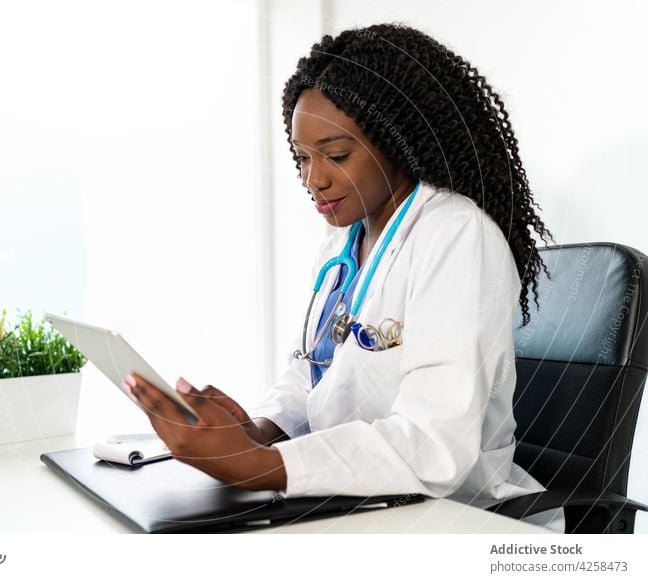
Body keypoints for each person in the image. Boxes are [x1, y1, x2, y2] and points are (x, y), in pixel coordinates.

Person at [124, 23, 565, 533]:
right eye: (302, 159)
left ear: (396, 140)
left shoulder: (456, 234)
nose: (314, 179)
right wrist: (258, 430)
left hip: (463, 520)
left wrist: (257, 466)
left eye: (335, 156)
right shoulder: (343, 244)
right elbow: (314, 372)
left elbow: (433, 445)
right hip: (363, 507)